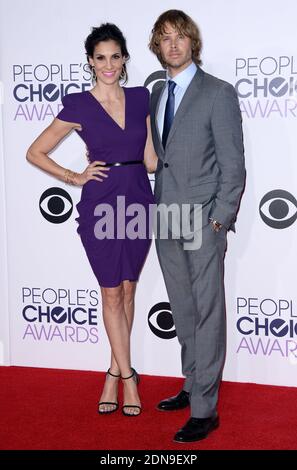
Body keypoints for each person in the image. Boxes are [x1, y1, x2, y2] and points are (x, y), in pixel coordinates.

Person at [26, 23, 157, 417]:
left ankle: (112, 372)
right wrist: (73, 177)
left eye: (115, 56)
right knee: (111, 292)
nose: (108, 64)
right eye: (100, 57)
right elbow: (35, 151)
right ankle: (129, 378)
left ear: (124, 59)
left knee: (130, 288)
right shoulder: (79, 104)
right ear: (90, 61)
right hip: (101, 202)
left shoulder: (141, 98)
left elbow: (151, 159)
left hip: (139, 199)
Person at [149, 10, 246, 442]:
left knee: (207, 313)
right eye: (165, 38)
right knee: (184, 310)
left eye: (180, 37)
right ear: (158, 45)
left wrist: (219, 219)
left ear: (193, 42)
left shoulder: (217, 93)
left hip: (203, 219)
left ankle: (206, 409)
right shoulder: (157, 94)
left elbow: (233, 165)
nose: (173, 45)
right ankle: (192, 383)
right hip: (167, 216)